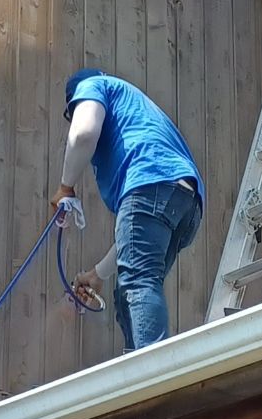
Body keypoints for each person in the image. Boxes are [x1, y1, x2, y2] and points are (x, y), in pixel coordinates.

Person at [54, 68, 204, 350]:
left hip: (151, 184)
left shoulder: (92, 86)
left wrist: (65, 187)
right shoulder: (135, 114)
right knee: (130, 288)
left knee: (137, 282)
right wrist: (96, 274)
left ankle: (150, 374)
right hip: (186, 202)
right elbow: (133, 243)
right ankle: (138, 362)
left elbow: (84, 134)